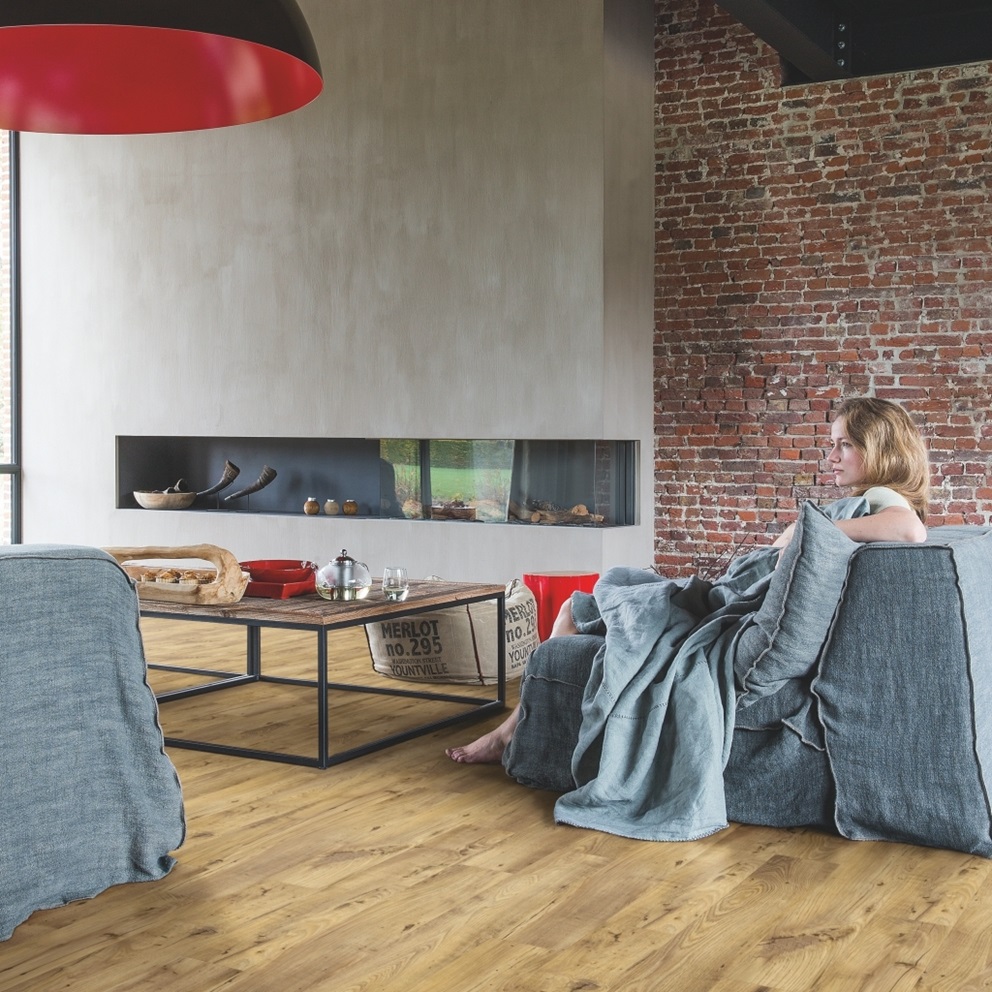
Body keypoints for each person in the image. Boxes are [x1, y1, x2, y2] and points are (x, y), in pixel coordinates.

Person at [445, 396, 930, 765]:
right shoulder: (870, 500)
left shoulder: (884, 498)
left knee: (577, 606)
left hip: (721, 610)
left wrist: (803, 531)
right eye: (832, 443)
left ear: (879, 448)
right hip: (723, 601)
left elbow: (910, 529)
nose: (832, 455)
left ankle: (512, 733)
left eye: (845, 444)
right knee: (594, 603)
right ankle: (515, 731)